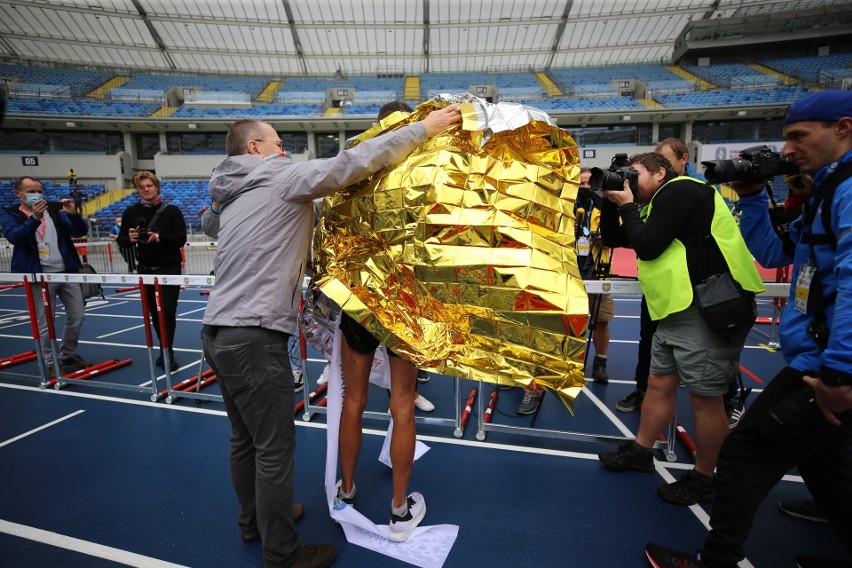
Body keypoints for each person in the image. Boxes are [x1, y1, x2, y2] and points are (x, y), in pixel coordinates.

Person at [202, 107, 460, 567]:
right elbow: (348, 165)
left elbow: (210, 224)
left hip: (217, 330)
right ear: (254, 149)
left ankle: (256, 521)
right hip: (256, 335)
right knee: (273, 449)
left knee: (243, 439)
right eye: (278, 144)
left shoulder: (232, 192)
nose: (285, 152)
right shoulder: (279, 177)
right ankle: (281, 553)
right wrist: (424, 129)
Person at [645, 89, 852, 568]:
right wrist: (756, 196)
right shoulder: (827, 188)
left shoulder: (846, 189)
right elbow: (776, 252)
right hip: (818, 360)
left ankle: (716, 561)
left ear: (842, 127)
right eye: (785, 140)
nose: (787, 150)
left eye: (799, 136)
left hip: (826, 367)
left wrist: (840, 373)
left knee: (743, 458)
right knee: (828, 466)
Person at [596, 152, 763, 507]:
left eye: (633, 174)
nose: (627, 180)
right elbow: (614, 239)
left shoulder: (682, 189)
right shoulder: (651, 204)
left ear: (659, 173)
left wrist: (627, 204)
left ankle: (705, 478)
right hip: (675, 309)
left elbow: (648, 245)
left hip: (708, 307)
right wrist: (613, 202)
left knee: (706, 399)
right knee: (658, 384)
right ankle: (642, 452)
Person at [0, 176, 93, 379]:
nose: (37, 195)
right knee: (46, 323)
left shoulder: (53, 210)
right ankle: (50, 362)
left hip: (66, 273)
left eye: (39, 190)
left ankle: (67, 354)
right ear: (18, 194)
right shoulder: (10, 214)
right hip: (38, 276)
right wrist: (34, 218)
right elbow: (15, 237)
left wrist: (74, 214)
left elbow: (79, 232)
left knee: (77, 316)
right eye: (32, 191)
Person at [117, 171, 186, 372]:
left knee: (168, 310)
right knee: (154, 313)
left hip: (169, 268)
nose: (146, 189)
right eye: (141, 187)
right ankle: (164, 346)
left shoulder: (172, 211)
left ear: (156, 186)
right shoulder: (130, 213)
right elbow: (121, 240)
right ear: (137, 190)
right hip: (146, 268)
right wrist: (129, 239)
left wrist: (158, 237)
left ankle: (168, 350)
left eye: (149, 185)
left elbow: (180, 238)